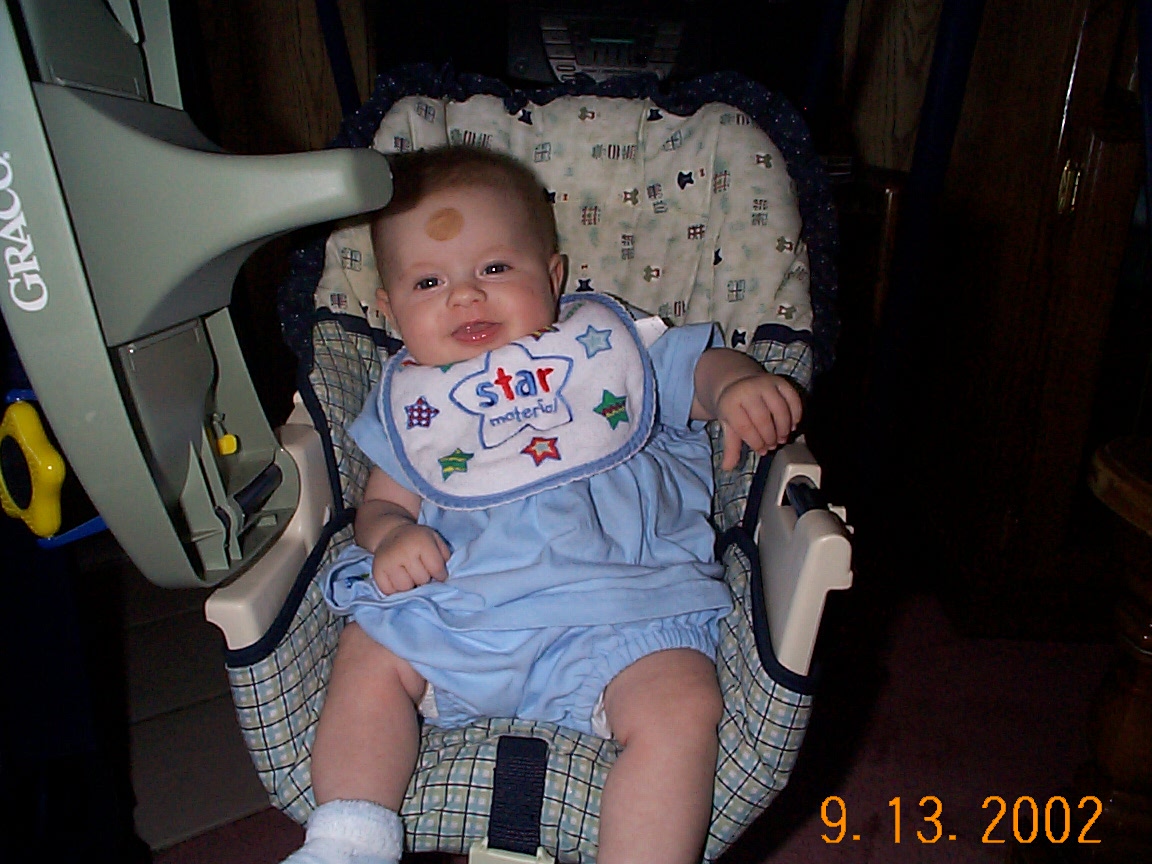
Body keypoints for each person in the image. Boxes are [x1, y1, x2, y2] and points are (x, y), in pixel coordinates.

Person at [283, 146, 803, 864]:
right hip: (458, 617)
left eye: (495, 269)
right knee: (370, 653)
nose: (466, 296)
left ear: (553, 276)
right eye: (429, 281)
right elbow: (379, 506)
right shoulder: (413, 404)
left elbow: (699, 371)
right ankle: (349, 839)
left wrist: (736, 384)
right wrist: (393, 535)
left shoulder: (609, 348)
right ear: (390, 309)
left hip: (621, 616)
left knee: (683, 706)